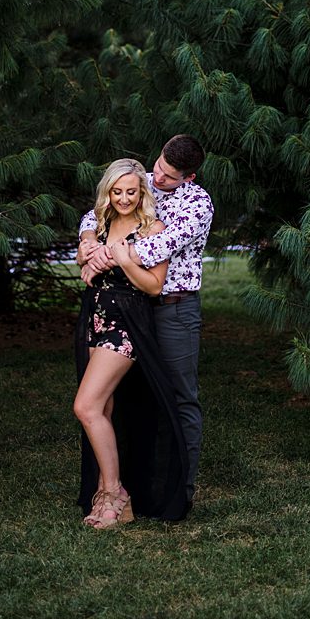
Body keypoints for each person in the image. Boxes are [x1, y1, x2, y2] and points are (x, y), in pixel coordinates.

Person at [76, 134, 213, 496]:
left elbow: (157, 246)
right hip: (129, 307)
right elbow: (96, 213)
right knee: (133, 395)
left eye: (169, 176)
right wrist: (88, 240)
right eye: (158, 167)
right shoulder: (145, 181)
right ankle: (140, 481)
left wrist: (102, 258)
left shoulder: (197, 204)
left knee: (180, 396)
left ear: (189, 177)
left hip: (173, 309)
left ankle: (180, 488)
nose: (159, 179)